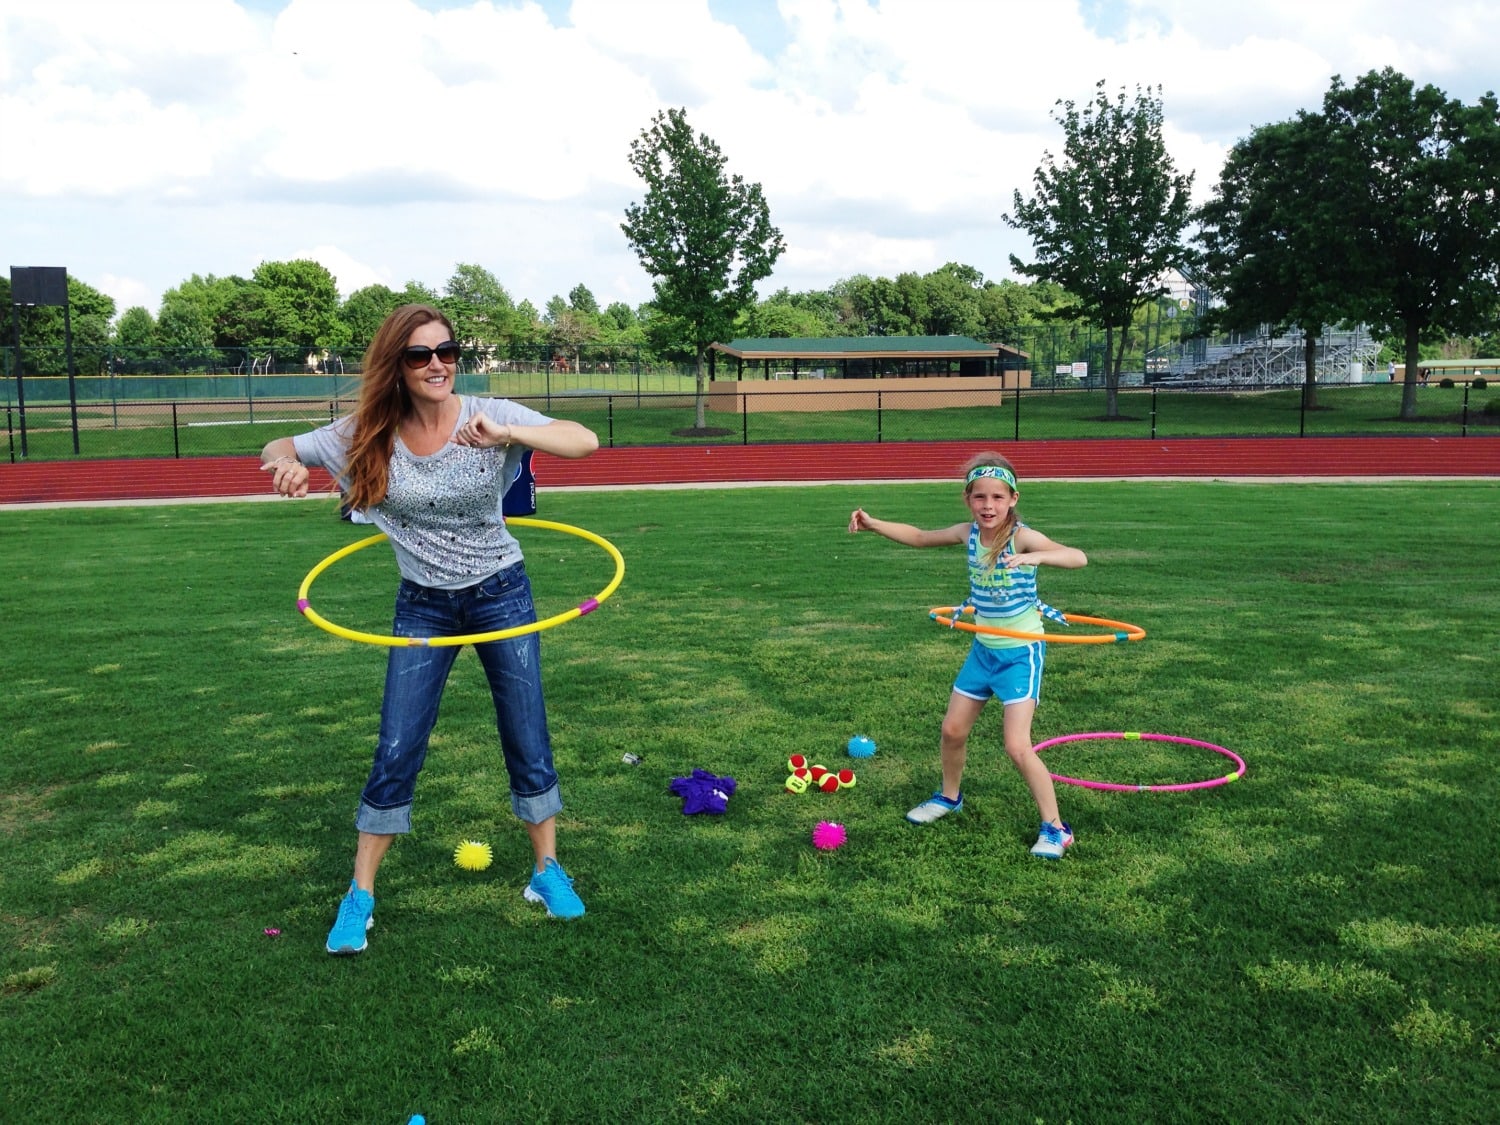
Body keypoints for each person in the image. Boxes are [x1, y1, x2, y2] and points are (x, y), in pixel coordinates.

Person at [260, 304, 600, 954]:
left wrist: (505, 433)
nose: (438, 364)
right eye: (420, 355)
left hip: (502, 591)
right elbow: (279, 446)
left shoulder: (486, 413)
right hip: (423, 603)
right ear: (398, 365)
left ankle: (547, 870)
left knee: (526, 731)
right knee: (396, 743)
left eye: (447, 351)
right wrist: (283, 466)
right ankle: (359, 894)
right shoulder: (366, 430)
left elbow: (584, 439)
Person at [847, 453, 1088, 859]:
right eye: (980, 497)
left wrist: (1037, 556)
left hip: (1019, 654)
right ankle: (949, 797)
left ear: (1013, 498)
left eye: (997, 497)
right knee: (952, 731)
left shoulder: (1022, 537)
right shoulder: (968, 533)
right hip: (983, 651)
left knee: (1016, 746)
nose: (988, 505)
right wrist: (874, 524)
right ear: (968, 500)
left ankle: (1056, 828)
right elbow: (921, 537)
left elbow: (1076, 556)